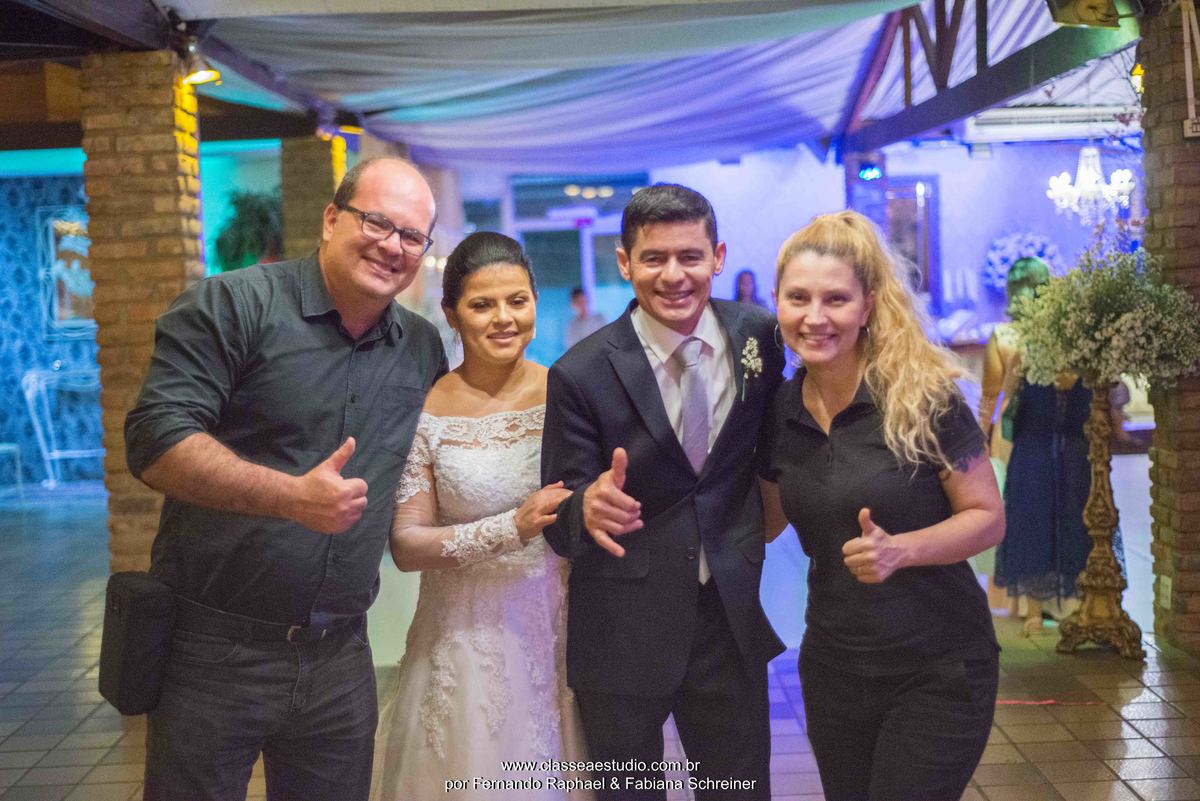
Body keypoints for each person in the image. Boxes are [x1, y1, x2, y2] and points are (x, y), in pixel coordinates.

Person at [125, 157, 446, 801]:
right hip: (213, 653)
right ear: (331, 219)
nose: (392, 245)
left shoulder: (420, 347)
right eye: (377, 222)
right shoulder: (232, 306)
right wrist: (290, 497)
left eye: (412, 236)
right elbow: (154, 440)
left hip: (340, 658)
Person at [542, 184, 784, 801]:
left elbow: (774, 450)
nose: (673, 275)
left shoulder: (759, 336)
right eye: (653, 259)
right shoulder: (580, 372)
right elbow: (558, 513)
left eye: (690, 256)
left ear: (718, 256)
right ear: (625, 263)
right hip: (623, 629)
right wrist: (584, 507)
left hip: (727, 623)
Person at [758, 211, 1003, 801]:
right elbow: (765, 524)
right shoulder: (778, 411)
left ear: (868, 305)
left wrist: (903, 550)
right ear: (777, 302)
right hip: (833, 669)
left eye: (835, 299)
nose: (815, 317)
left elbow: (987, 516)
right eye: (798, 298)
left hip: (938, 668)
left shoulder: (923, 397)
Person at [372, 232, 592, 800]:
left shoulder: (570, 394)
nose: (504, 319)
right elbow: (406, 544)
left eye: (517, 301)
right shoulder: (428, 410)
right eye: (482, 304)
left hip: (555, 631)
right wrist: (510, 528)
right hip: (461, 639)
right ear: (451, 313)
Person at [988, 258, 1100, 634]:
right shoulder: (1083, 359)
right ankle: (1077, 604)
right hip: (1075, 450)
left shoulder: (1019, 353)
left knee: (1029, 524)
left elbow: (1003, 406)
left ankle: (1033, 613)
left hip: (1031, 449)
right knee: (1076, 523)